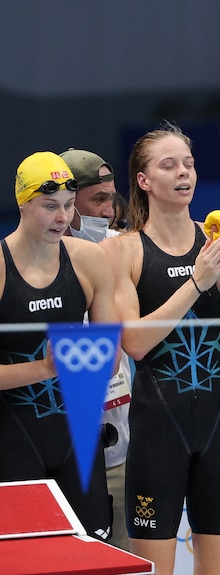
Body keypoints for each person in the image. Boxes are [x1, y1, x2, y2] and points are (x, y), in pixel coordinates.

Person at [101, 122, 220, 575]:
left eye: (188, 164)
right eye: (169, 165)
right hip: (156, 437)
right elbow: (133, 342)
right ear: (144, 180)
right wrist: (197, 281)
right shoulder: (125, 252)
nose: (183, 173)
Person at [0, 151, 119, 540]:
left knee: (94, 559)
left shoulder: (89, 261)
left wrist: (94, 358)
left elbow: (113, 359)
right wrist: (45, 368)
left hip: (79, 443)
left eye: (68, 205)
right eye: (49, 206)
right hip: (13, 443)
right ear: (22, 202)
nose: (63, 218)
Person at [61, 148, 134, 552]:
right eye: (98, 200)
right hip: (58, 439)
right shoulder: (30, 261)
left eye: (111, 198)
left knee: (123, 551)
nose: (108, 211)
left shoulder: (122, 248)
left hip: (121, 435)